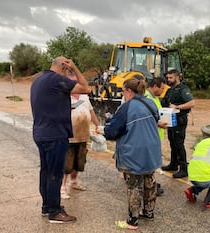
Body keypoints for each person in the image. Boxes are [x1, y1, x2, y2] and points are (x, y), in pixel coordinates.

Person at [30, 56, 90, 223]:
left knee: (46, 172)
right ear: (64, 67)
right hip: (55, 135)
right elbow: (86, 88)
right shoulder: (57, 80)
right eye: (67, 68)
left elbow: (47, 103)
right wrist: (75, 68)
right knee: (55, 174)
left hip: (40, 133)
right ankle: (55, 212)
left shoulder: (38, 80)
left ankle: (47, 206)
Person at [104, 77, 162, 230]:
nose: (123, 94)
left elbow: (112, 132)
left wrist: (108, 123)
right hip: (152, 150)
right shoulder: (150, 103)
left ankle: (132, 221)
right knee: (150, 181)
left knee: (134, 186)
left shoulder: (126, 107)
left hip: (134, 152)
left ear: (129, 91)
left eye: (123, 91)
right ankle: (149, 212)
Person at [60, 71, 100, 199]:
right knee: (67, 162)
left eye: (76, 82)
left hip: (83, 134)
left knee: (79, 160)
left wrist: (97, 124)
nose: (75, 85)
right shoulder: (63, 96)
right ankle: (62, 188)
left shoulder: (84, 97)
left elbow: (91, 111)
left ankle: (74, 181)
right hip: (69, 135)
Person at [161, 69, 195, 178]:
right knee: (172, 142)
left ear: (177, 77)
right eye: (168, 78)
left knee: (179, 144)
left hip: (180, 119)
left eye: (171, 78)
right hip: (171, 118)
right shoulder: (170, 90)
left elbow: (191, 103)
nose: (169, 80)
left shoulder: (183, 89)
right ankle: (173, 164)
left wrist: (177, 107)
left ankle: (184, 168)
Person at [144, 77, 168, 196]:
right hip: (150, 136)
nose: (163, 91)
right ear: (154, 86)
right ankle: (149, 185)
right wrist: (158, 124)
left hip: (156, 135)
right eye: (162, 88)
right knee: (149, 162)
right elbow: (146, 119)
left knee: (151, 162)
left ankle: (149, 183)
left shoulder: (155, 98)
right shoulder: (147, 99)